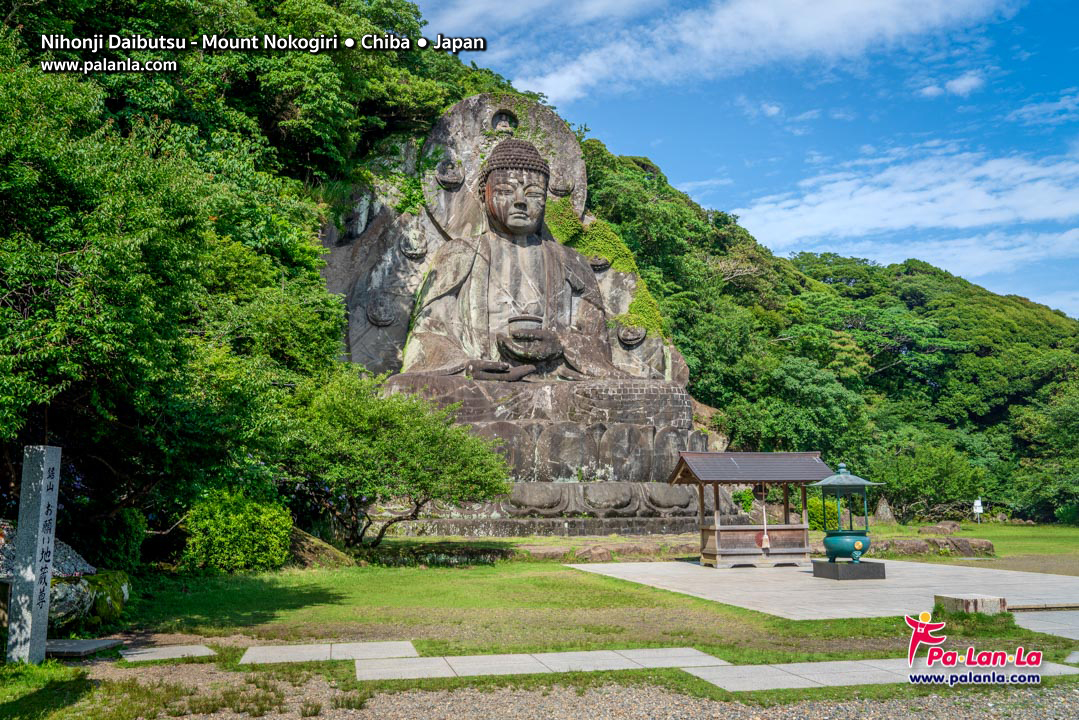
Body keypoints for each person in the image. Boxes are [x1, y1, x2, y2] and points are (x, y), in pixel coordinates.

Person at [401, 138, 623, 381]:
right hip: (479, 383)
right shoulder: (459, 253)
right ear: (484, 197)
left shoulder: (572, 261)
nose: (520, 201)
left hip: (555, 381)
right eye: (505, 191)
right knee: (405, 387)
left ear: (545, 201)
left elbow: (598, 345)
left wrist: (560, 344)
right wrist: (465, 366)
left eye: (534, 194)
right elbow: (428, 333)